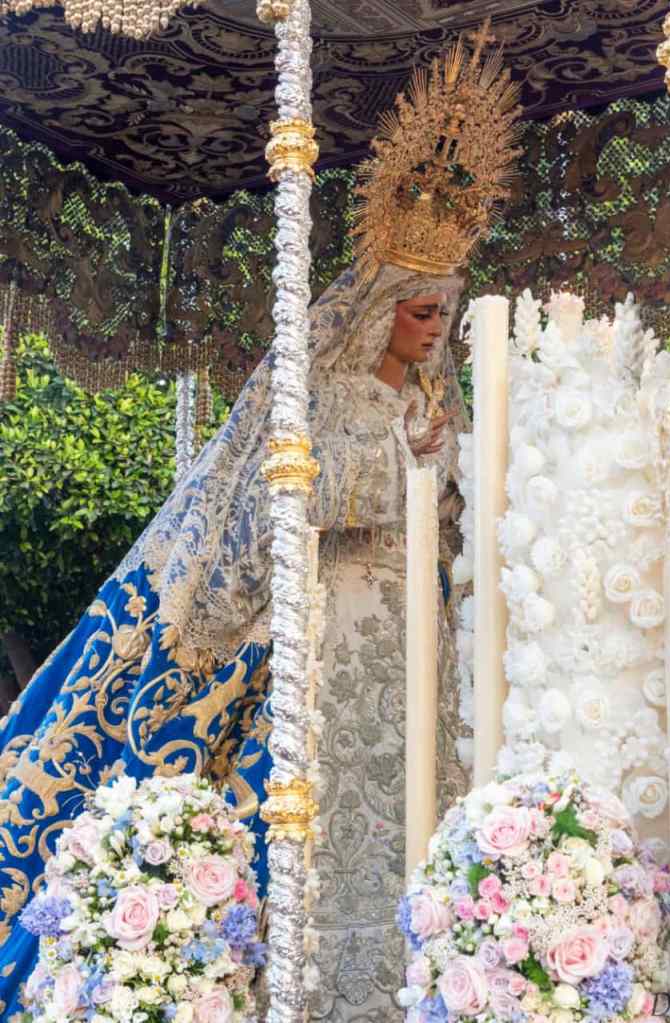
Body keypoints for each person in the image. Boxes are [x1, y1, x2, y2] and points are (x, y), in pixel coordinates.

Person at [0, 30, 522, 1022]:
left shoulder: (438, 403)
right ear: (380, 307)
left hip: (415, 631)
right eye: (420, 310)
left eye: (444, 313)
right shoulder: (318, 389)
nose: (434, 330)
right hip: (320, 633)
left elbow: (456, 518)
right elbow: (273, 500)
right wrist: (400, 466)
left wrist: (452, 475)